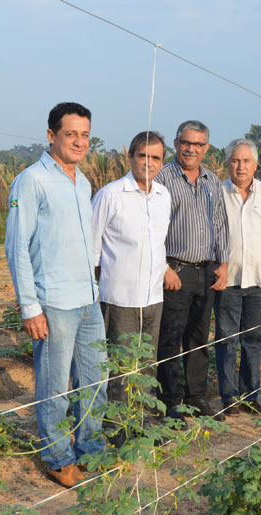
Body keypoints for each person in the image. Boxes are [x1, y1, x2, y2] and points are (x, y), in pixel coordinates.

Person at [4, 102, 107, 488]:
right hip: (54, 302)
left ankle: (90, 450)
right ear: (51, 136)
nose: (79, 141)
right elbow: (17, 247)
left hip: (86, 299)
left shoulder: (83, 182)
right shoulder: (31, 180)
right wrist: (31, 307)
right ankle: (57, 457)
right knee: (55, 387)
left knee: (96, 381)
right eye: (71, 134)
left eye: (85, 135)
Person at [154, 120, 229, 421]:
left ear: (206, 148)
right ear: (176, 144)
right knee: (170, 339)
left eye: (198, 144)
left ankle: (197, 397)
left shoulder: (212, 181)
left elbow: (221, 224)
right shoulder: (162, 178)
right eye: (186, 143)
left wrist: (223, 264)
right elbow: (152, 227)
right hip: (175, 271)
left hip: (206, 271)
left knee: (199, 338)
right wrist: (164, 267)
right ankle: (171, 402)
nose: (191, 149)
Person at [91, 130, 171, 405]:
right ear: (130, 157)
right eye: (143, 156)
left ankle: (143, 423)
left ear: (162, 162)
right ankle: (117, 430)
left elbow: (158, 245)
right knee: (121, 368)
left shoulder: (163, 196)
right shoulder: (110, 195)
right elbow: (92, 251)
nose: (149, 163)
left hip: (154, 298)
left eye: (156, 158)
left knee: (148, 366)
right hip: (120, 299)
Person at [216, 139, 261, 416]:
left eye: (246, 161)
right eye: (235, 160)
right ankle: (228, 397)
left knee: (254, 339)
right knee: (226, 340)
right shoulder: (218, 192)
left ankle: (250, 394)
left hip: (260, 282)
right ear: (228, 164)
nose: (240, 166)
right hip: (228, 282)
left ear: (255, 165)